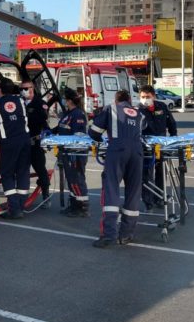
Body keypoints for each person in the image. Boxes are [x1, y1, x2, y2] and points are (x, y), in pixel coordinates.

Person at [88, 89, 146, 248]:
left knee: (112, 190)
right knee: (133, 192)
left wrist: (101, 139)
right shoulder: (138, 113)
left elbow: (93, 132)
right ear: (129, 100)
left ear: (116, 99)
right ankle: (126, 234)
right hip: (137, 152)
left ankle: (109, 235)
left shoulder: (111, 108)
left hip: (118, 151)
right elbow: (143, 130)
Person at [0, 78, 31, 219]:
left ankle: (14, 208)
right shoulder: (20, 101)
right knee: (23, 171)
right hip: (25, 140)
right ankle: (21, 205)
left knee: (6, 173)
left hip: (9, 143)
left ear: (0, 90)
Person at [138, 84, 177, 210]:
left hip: (161, 145)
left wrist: (173, 138)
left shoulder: (161, 106)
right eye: (142, 97)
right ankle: (148, 201)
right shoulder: (138, 110)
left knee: (161, 172)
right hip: (146, 147)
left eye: (147, 96)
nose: (144, 99)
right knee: (146, 174)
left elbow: (171, 123)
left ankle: (159, 198)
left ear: (153, 96)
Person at [53, 88, 90, 217]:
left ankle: (82, 207)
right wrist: (49, 132)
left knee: (77, 179)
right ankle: (74, 204)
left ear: (68, 101)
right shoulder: (67, 114)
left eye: (64, 99)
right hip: (66, 152)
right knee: (71, 180)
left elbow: (78, 135)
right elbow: (60, 128)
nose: (63, 101)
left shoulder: (78, 114)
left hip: (75, 153)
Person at [19, 78, 52, 209]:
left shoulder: (40, 103)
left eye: (25, 89)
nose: (23, 91)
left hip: (35, 142)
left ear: (32, 89)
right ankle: (22, 197)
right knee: (21, 170)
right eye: (21, 89)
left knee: (40, 169)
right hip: (21, 143)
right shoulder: (19, 102)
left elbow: (42, 119)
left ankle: (45, 195)